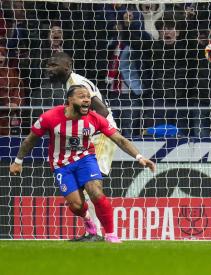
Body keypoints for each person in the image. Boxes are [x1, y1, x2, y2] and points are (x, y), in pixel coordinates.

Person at [10, 85, 156, 243]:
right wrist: (18, 161)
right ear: (70, 100)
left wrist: (140, 157)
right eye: (81, 96)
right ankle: (88, 220)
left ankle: (111, 235)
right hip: (61, 165)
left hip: (86, 159)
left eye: (88, 96)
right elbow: (30, 139)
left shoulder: (95, 119)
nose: (87, 99)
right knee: (77, 205)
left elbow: (120, 139)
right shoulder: (50, 117)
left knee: (96, 193)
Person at [47, 52, 119, 241]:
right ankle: (92, 232)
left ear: (67, 65)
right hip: (93, 136)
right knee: (86, 187)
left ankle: (96, 233)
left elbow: (102, 110)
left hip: (101, 135)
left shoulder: (77, 83)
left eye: (54, 65)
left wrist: (89, 131)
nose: (50, 69)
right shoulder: (72, 83)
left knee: (92, 187)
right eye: (48, 65)